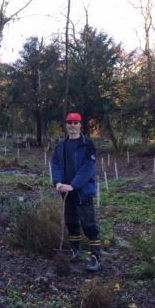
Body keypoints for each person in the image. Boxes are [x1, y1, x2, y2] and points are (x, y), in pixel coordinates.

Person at [50, 113, 101, 271]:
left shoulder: (88, 145)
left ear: (80, 125)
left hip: (82, 192)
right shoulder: (60, 145)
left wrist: (73, 185)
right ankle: (74, 250)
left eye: (75, 123)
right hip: (66, 192)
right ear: (66, 125)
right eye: (69, 123)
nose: (72, 126)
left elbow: (88, 168)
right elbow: (55, 164)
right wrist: (58, 182)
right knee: (71, 223)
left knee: (89, 224)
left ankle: (95, 257)